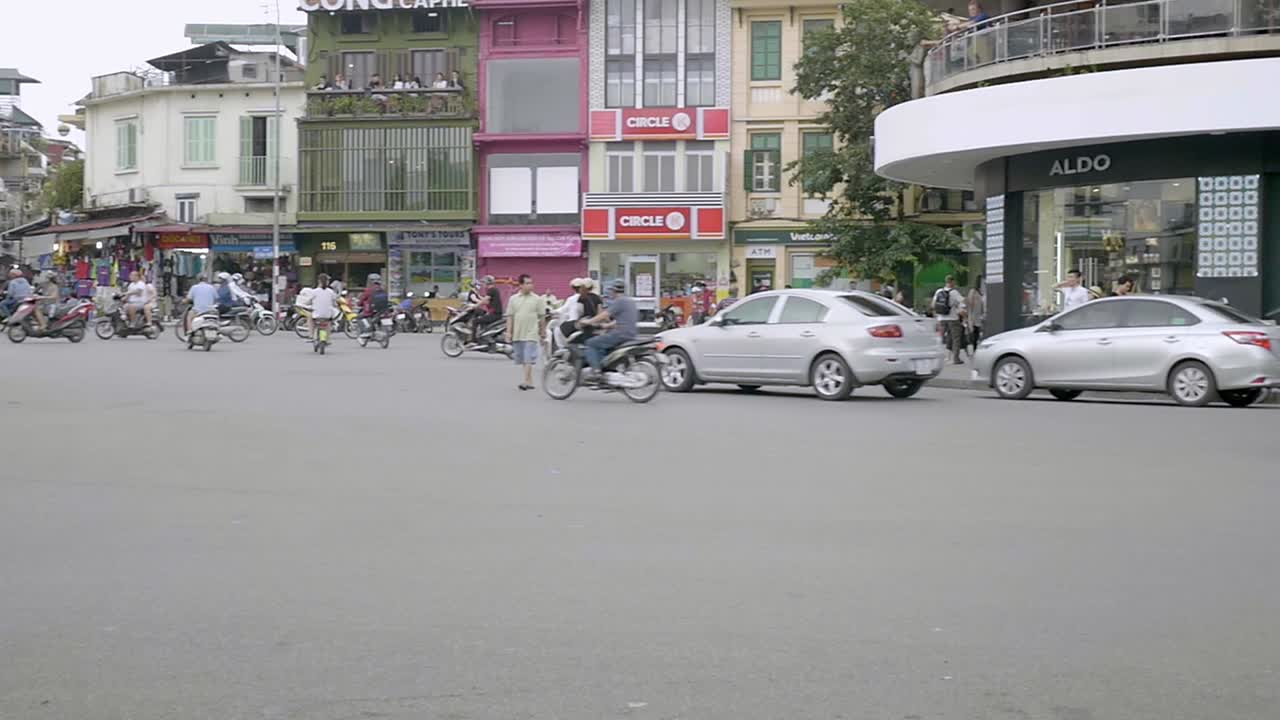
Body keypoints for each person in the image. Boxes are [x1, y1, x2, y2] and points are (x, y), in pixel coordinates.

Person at [582, 279, 638, 378]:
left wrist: (589, 321)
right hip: (631, 333)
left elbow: (604, 315)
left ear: (613, 291)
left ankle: (596, 371)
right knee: (603, 342)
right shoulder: (630, 301)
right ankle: (608, 369)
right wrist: (606, 326)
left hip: (620, 334)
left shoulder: (619, 301)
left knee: (591, 343)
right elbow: (622, 320)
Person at [505, 274, 546, 391]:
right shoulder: (513, 299)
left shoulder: (537, 299)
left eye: (531, 283)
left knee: (528, 356)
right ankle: (529, 380)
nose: (530, 285)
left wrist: (542, 332)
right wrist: (508, 332)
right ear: (521, 285)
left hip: (531, 332)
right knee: (523, 357)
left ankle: (526, 382)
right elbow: (510, 316)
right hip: (518, 332)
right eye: (527, 283)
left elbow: (542, 317)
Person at [932, 275, 967, 365]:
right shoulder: (954, 292)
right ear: (952, 282)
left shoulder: (938, 291)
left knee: (939, 338)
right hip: (953, 319)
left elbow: (933, 305)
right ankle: (955, 359)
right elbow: (963, 302)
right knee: (956, 339)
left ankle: (935, 357)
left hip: (941, 319)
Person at [310, 273, 339, 342]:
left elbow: (309, 301)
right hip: (327, 314)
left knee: (310, 317)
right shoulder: (331, 292)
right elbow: (334, 302)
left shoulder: (314, 291)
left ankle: (311, 335)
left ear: (319, 281)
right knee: (328, 323)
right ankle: (327, 339)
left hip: (317, 314)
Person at [965, 275, 985, 353]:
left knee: (978, 333)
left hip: (980, 315)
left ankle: (976, 349)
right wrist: (969, 317)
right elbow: (969, 304)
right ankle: (974, 349)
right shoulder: (973, 291)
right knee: (974, 334)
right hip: (973, 315)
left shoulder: (982, 292)